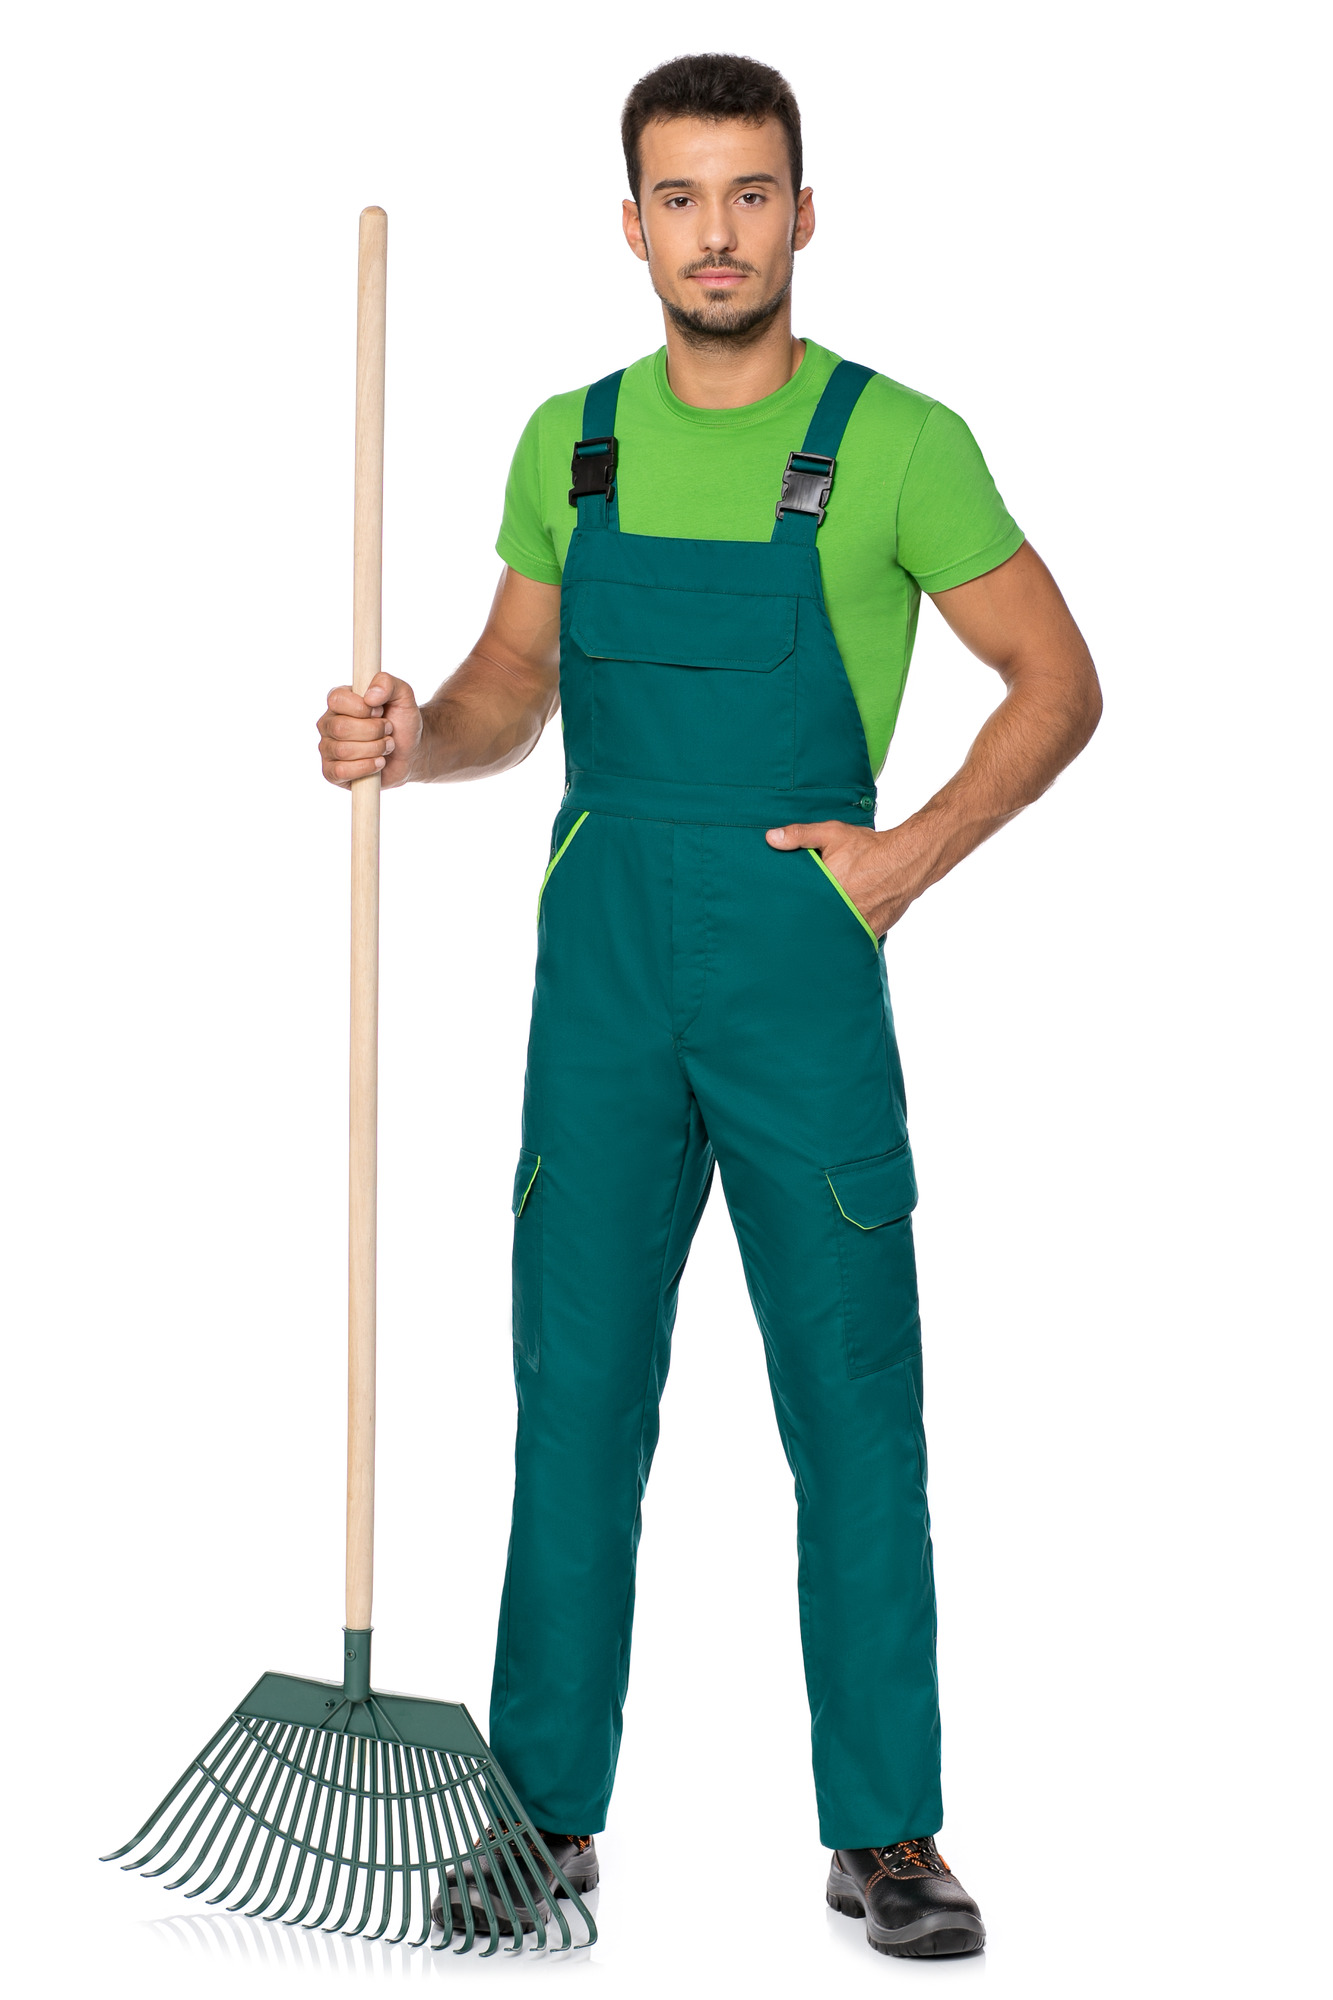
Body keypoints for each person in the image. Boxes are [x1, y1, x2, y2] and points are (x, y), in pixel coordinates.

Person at [317, 52, 1100, 1961]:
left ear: (801, 213)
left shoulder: (896, 442)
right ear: (632, 224)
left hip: (796, 971)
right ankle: (540, 1814)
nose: (718, 233)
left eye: (751, 193)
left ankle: (885, 1831)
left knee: (851, 1404)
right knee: (575, 1399)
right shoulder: (569, 443)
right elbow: (512, 690)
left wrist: (905, 857)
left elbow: (1057, 679)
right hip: (599, 981)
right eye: (680, 197)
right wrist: (415, 736)